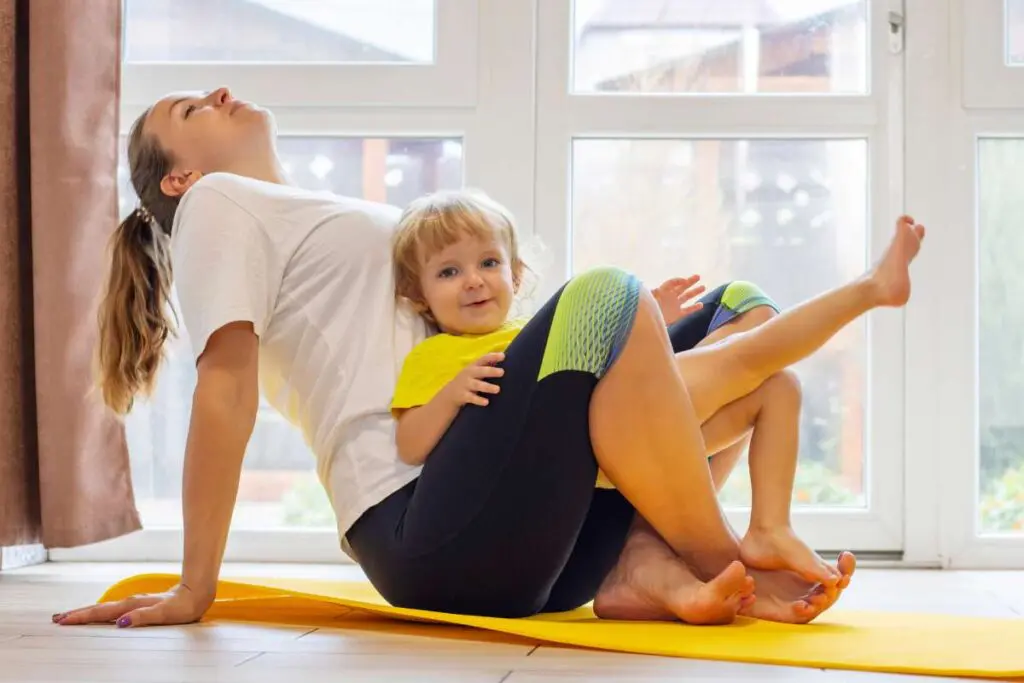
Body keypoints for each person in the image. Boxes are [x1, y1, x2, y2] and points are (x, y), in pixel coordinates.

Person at [52, 87, 923, 630]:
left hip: (535, 543)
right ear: (179, 181)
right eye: (190, 111)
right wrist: (194, 588)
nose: (218, 93)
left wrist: (639, 338)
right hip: (429, 528)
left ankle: (636, 568)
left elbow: (482, 348)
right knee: (603, 289)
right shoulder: (221, 206)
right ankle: (725, 551)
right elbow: (225, 386)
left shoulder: (303, 214)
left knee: (729, 305)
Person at [386, 188, 838, 587]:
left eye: (488, 263)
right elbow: (409, 444)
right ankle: (706, 547)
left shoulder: (531, 335)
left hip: (618, 442)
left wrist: (648, 322)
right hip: (548, 473)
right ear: (420, 296)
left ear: (515, 275)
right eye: (448, 272)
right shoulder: (435, 356)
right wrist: (450, 395)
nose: (473, 280)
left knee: (748, 309)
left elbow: (608, 378)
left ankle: (703, 535)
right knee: (757, 369)